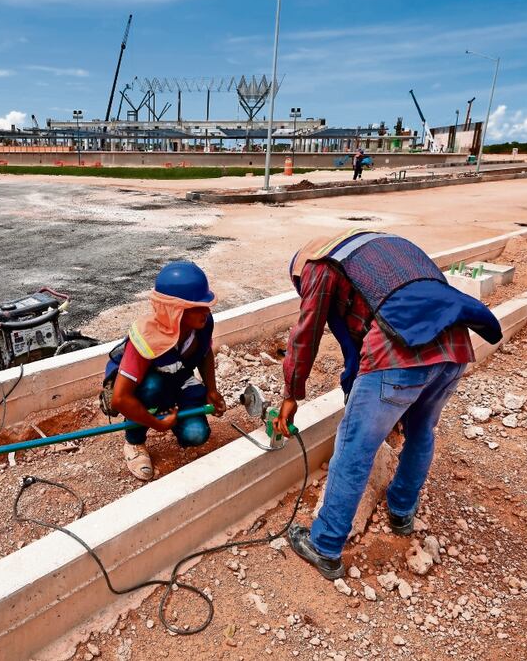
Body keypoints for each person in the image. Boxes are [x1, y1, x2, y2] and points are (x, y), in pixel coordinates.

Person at [273, 229, 501, 580]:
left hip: (400, 354)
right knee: (422, 430)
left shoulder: (319, 267)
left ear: (299, 272)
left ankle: (325, 545)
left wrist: (291, 393)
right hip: (454, 349)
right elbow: (362, 338)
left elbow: (307, 334)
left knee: (354, 447)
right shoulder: (382, 250)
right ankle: (402, 512)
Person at [104, 261, 227, 481]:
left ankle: (173, 417)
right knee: (152, 388)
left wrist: (211, 389)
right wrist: (157, 424)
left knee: (196, 435)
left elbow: (205, 352)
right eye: (197, 306)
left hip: (177, 379)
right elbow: (120, 399)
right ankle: (134, 441)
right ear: (175, 310)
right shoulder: (145, 339)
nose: (206, 311)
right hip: (144, 389)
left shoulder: (203, 324)